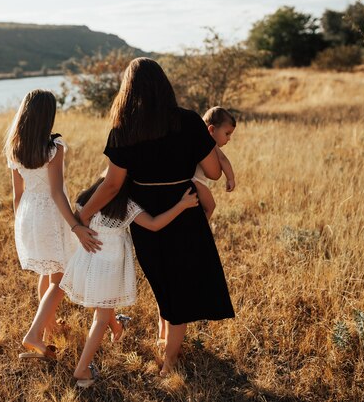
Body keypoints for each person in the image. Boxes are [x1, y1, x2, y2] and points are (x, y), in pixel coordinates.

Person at [76, 58, 235, 377]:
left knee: (163, 282)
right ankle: (170, 354)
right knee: (180, 286)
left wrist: (83, 215)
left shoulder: (124, 129)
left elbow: (112, 185)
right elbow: (215, 173)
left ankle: (170, 360)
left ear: (128, 90)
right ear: (164, 85)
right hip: (185, 208)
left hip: (147, 214)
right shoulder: (189, 121)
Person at [60, 177, 199, 387]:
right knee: (100, 318)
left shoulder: (87, 197)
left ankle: (117, 328)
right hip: (108, 266)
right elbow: (153, 224)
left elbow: (79, 218)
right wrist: (182, 205)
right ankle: (82, 369)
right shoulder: (127, 206)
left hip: (88, 263)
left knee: (103, 308)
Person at [5, 89, 99, 359]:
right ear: (48, 116)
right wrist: (75, 226)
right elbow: (57, 192)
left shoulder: (15, 148)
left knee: (47, 274)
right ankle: (34, 334)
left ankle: (49, 329)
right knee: (60, 278)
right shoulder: (53, 147)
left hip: (28, 215)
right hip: (50, 215)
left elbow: (17, 195)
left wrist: (20, 224)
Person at [193, 106, 237, 219]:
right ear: (211, 130)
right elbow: (223, 160)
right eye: (227, 134)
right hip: (196, 181)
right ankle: (200, 228)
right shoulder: (209, 143)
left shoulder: (195, 138)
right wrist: (230, 178)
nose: (229, 138)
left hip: (193, 180)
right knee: (210, 206)